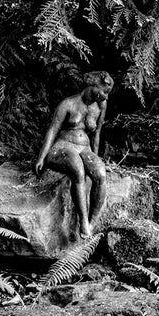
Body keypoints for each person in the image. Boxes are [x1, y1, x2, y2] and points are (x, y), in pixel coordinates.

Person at [34, 71, 113, 238]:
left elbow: (97, 134)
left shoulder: (100, 106)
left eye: (107, 93)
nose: (105, 97)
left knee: (100, 172)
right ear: (93, 86)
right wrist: (41, 157)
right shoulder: (68, 104)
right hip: (63, 146)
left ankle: (92, 222)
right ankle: (83, 221)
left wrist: (95, 158)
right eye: (104, 91)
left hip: (85, 148)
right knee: (77, 169)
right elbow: (53, 129)